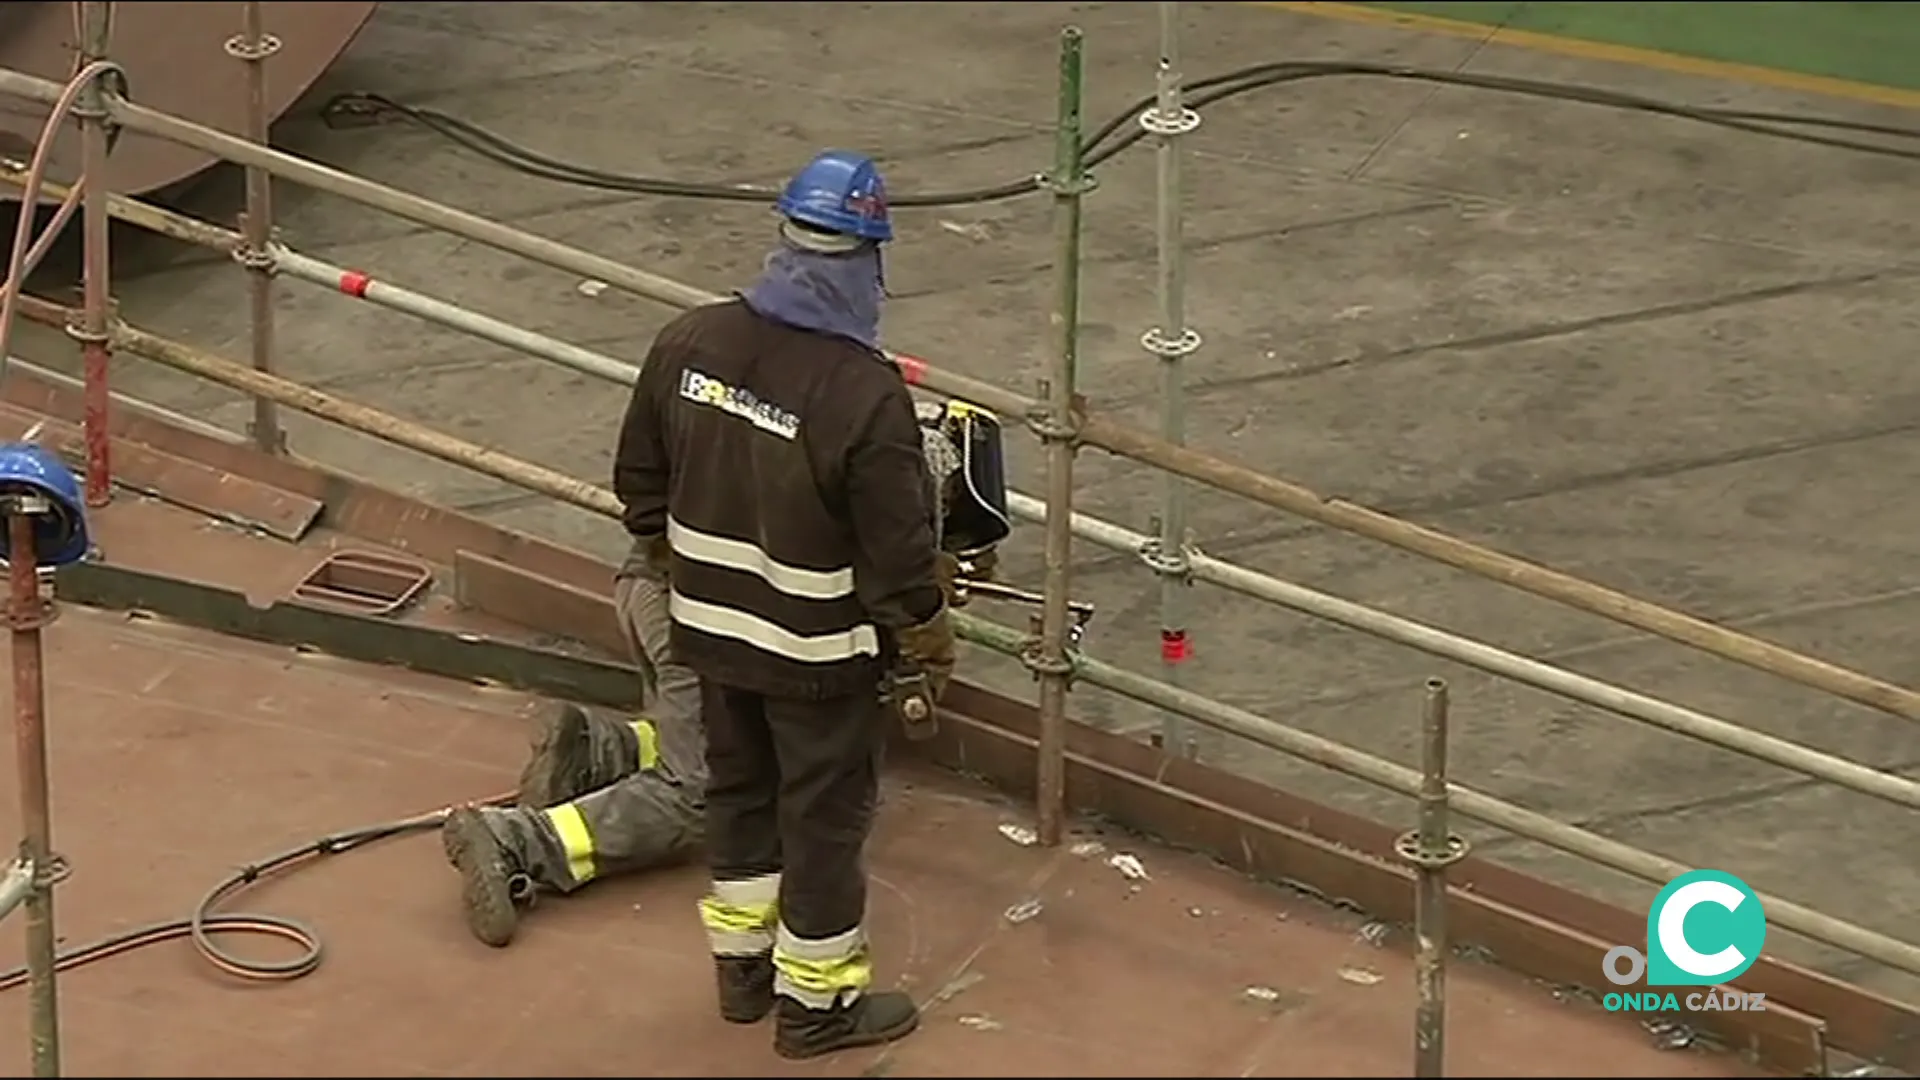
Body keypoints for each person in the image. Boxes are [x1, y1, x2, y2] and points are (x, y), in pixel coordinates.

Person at [614, 148, 956, 1061]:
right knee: (823, 823)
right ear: (867, 259)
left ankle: (742, 975)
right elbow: (899, 554)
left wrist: (686, 569)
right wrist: (926, 634)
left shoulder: (688, 342)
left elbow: (639, 487)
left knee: (739, 796)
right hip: (818, 660)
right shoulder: (861, 393)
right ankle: (817, 1007)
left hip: (709, 638)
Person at [439, 569, 706, 949]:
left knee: (707, 732)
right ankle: (516, 840)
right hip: (701, 620)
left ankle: (597, 750)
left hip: (650, 582)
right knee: (700, 788)